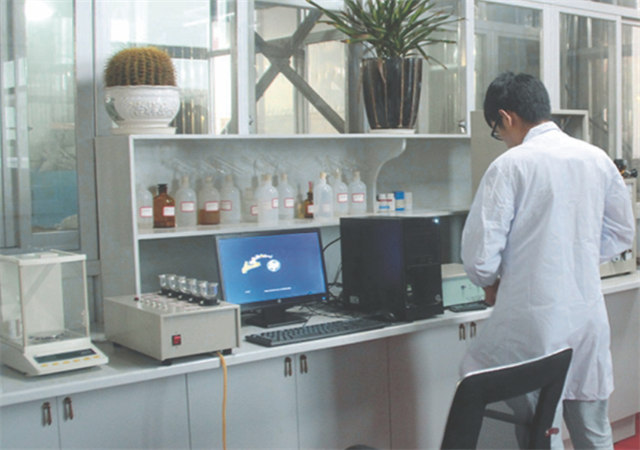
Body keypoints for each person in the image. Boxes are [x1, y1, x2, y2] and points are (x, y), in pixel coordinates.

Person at [460, 72, 635, 449]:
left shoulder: (510, 165)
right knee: (594, 432)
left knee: (540, 431)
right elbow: (623, 232)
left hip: (534, 325)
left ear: (505, 118)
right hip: (586, 319)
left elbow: (479, 258)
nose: (502, 138)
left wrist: (492, 281)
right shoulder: (596, 158)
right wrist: (575, 256)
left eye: (497, 130)